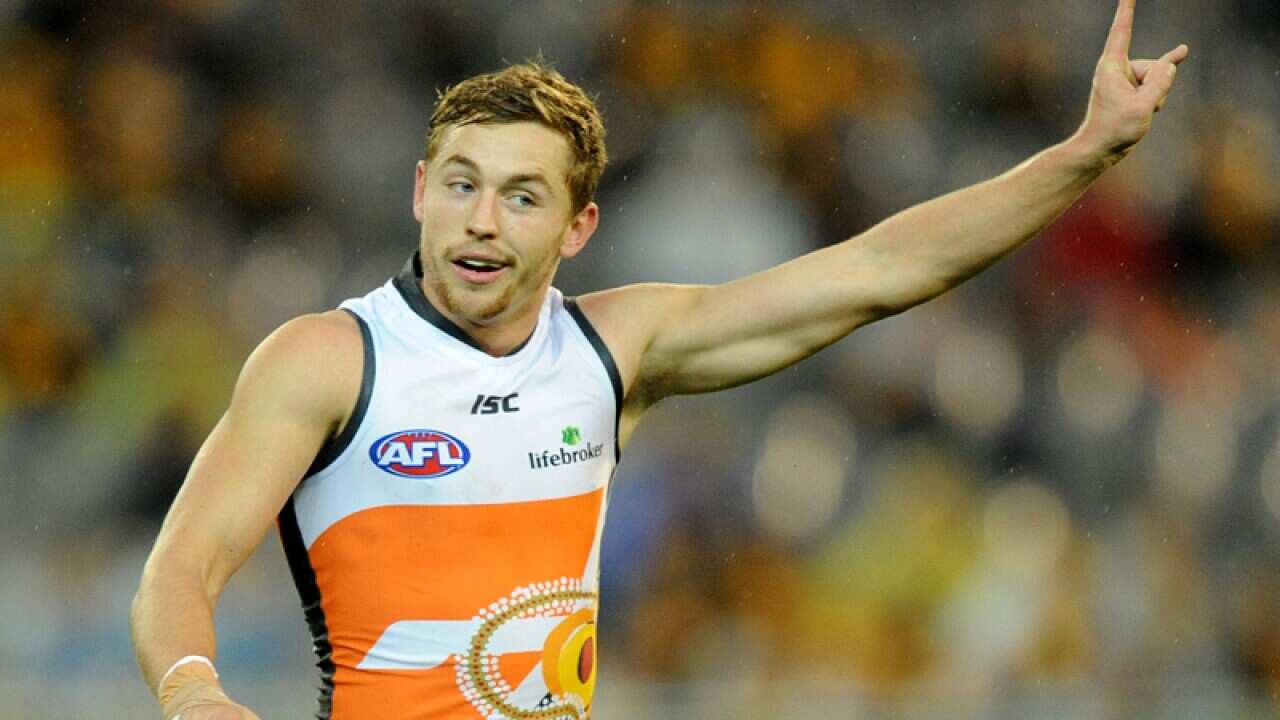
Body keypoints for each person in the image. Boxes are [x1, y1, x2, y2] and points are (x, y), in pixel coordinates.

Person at [130, 1, 1187, 717]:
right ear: (418, 189)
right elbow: (181, 568)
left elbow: (878, 272)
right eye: (460, 183)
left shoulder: (613, 350)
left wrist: (1079, 155)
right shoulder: (326, 362)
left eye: (521, 195)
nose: (480, 222)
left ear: (578, 227)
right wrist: (193, 691)